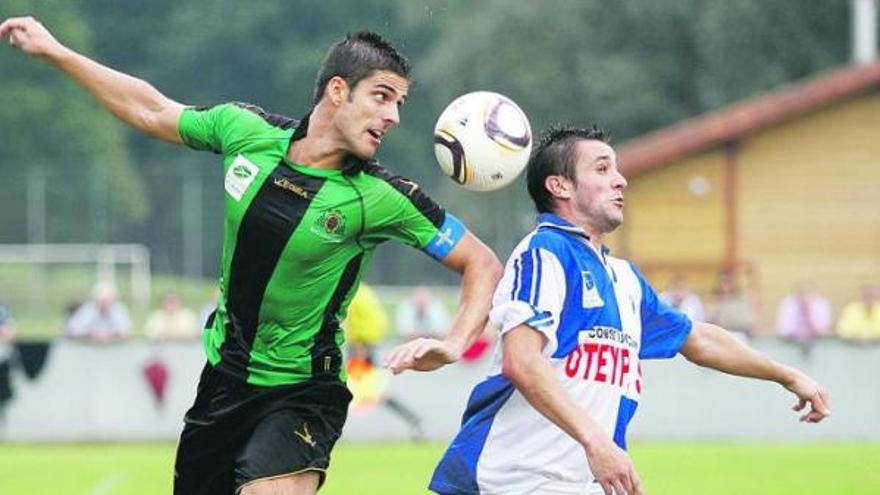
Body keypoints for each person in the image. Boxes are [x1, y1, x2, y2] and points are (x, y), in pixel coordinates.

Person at [1, 17, 502, 495]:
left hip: (304, 391)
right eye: (382, 97)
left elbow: (482, 262)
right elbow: (150, 110)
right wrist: (56, 52)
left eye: (400, 103)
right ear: (337, 91)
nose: (393, 116)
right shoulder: (247, 131)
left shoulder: (381, 196)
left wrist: (455, 342)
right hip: (223, 381)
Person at [430, 127, 830, 495]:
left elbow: (700, 338)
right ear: (560, 186)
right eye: (602, 169)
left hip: (578, 482)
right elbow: (521, 360)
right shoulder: (544, 253)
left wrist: (787, 375)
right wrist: (597, 442)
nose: (620, 180)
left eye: (617, 170)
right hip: (510, 479)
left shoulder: (623, 278)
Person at [344, 283, 424, 441]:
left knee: (349, 391)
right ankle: (413, 420)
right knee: (369, 392)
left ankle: (413, 420)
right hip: (365, 347)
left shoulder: (355, 294)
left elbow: (357, 321)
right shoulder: (365, 292)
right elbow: (376, 321)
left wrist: (361, 346)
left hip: (360, 349)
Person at [775, 281, 832, 356]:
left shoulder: (820, 303)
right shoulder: (788, 304)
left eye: (808, 292)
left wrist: (808, 313)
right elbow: (783, 330)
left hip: (818, 345)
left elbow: (822, 330)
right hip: (791, 345)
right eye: (801, 292)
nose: (805, 296)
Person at [63, 282, 132, 344]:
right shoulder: (87, 310)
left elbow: (125, 332)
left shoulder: (119, 311)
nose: (104, 304)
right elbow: (73, 330)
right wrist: (91, 334)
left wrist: (108, 336)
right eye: (101, 301)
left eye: (107, 301)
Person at [708, 268, 757, 342]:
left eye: (727, 282)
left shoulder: (741, 300)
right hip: (720, 334)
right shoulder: (714, 300)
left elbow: (750, 321)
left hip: (740, 333)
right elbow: (710, 320)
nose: (724, 285)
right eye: (722, 281)